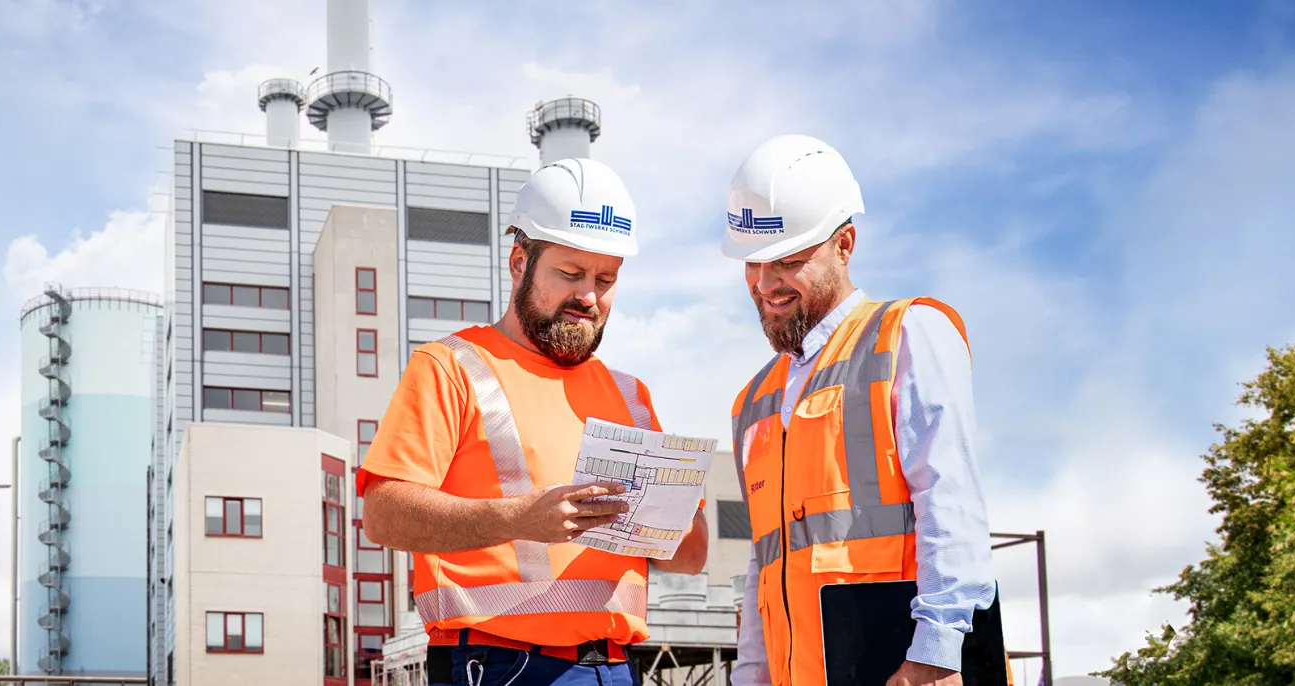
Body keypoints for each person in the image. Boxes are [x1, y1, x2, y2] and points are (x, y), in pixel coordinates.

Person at [358, 157, 709, 686]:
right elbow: (384, 515)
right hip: (498, 664)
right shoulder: (452, 367)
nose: (588, 296)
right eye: (569, 273)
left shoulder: (632, 396)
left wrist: (655, 522)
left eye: (606, 278)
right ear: (519, 261)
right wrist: (518, 519)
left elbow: (692, 555)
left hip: (615, 667)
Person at [722, 135, 1004, 686]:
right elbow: (765, 564)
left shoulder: (907, 335)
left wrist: (937, 654)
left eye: (789, 261)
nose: (765, 284)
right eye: (752, 264)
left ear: (845, 244)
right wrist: (750, 675)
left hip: (899, 669)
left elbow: (949, 502)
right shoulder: (752, 402)